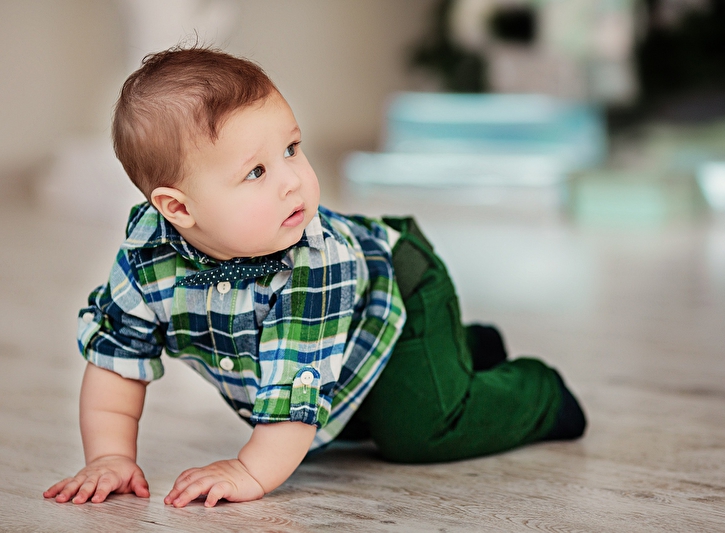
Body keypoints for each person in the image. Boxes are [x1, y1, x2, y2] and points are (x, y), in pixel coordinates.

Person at [44, 46, 586, 509]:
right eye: (257, 171)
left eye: (291, 149)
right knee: (355, 420)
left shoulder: (314, 263)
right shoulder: (147, 257)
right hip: (347, 340)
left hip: (402, 290)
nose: (292, 181)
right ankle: (463, 350)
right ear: (178, 209)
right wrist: (110, 457)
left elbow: (295, 389)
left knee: (415, 431)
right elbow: (117, 357)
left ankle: (538, 392)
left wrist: (250, 471)